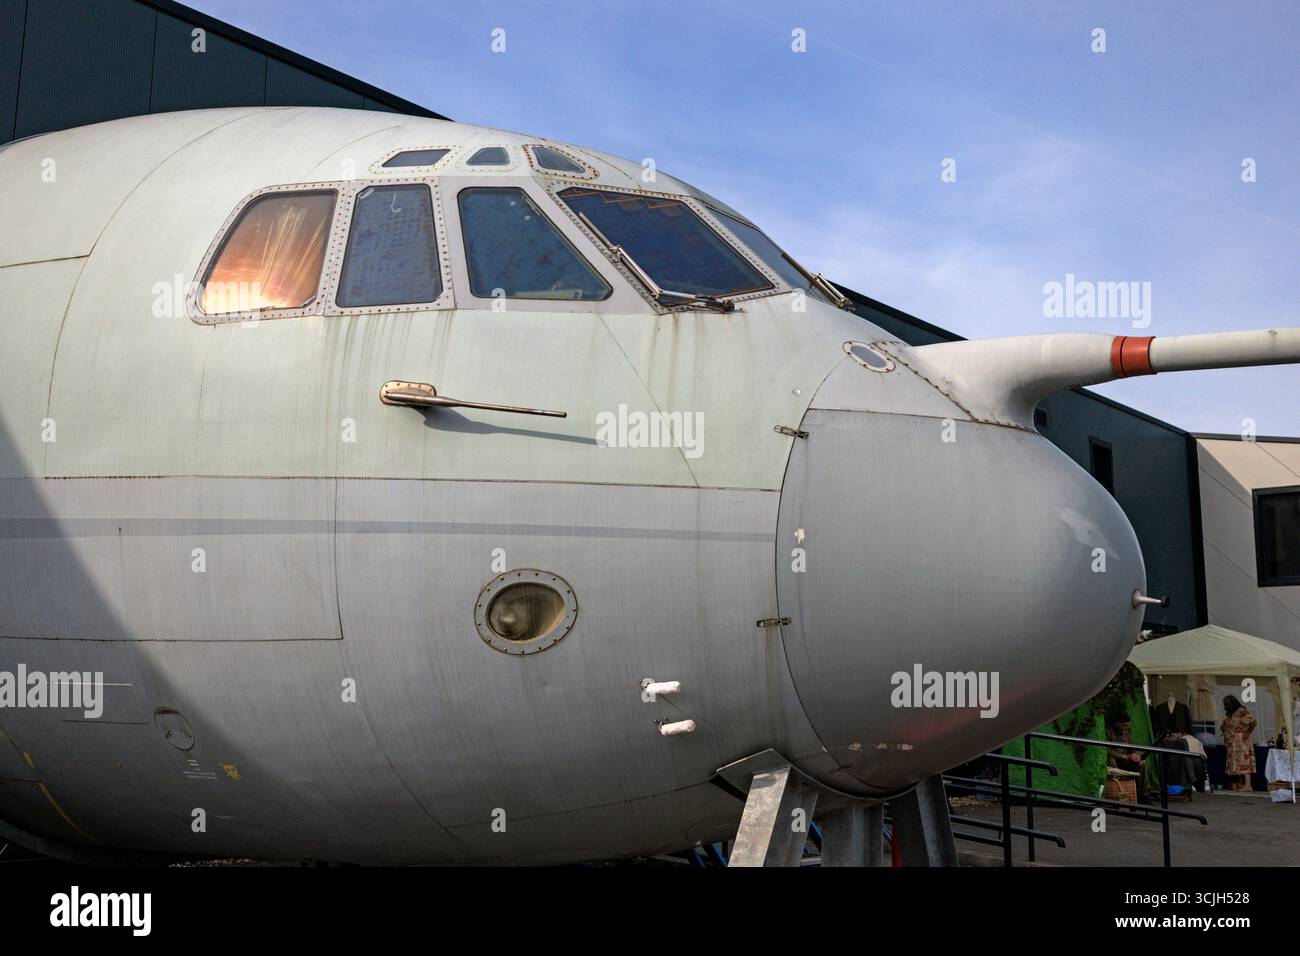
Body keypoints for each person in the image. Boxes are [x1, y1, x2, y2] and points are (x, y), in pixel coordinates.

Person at [1107, 712, 1147, 803]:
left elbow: (1133, 748)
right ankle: (1117, 793)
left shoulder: (1127, 733)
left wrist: (1137, 757)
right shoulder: (1109, 732)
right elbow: (1108, 751)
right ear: (1117, 723)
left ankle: (1143, 795)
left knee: (1141, 765)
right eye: (1124, 725)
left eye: (1128, 725)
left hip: (1126, 761)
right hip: (1116, 760)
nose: (1126, 728)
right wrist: (1124, 756)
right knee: (1111, 760)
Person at [1221, 695, 1258, 791]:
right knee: (1236, 763)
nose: (1226, 706)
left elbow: (1253, 721)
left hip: (1241, 740)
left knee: (1244, 761)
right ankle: (1240, 784)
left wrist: (1248, 732)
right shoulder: (1230, 714)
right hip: (1232, 743)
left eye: (1227, 704)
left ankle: (1248, 785)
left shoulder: (1241, 711)